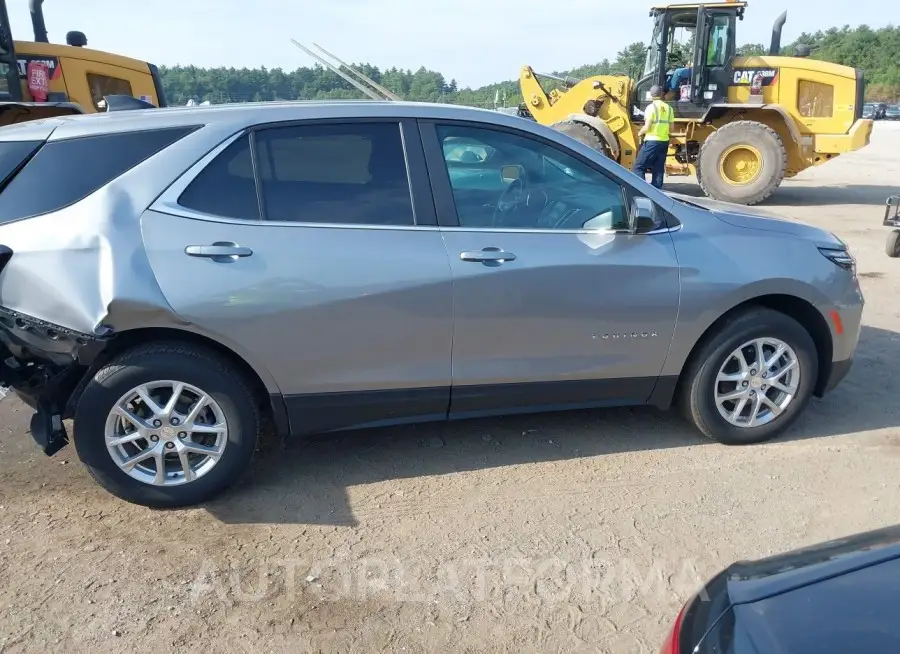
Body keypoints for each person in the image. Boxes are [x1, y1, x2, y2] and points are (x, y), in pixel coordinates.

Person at [633, 85, 673, 189]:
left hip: (652, 141)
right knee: (658, 168)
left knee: (639, 167)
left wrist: (639, 133)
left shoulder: (651, 108)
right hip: (664, 141)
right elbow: (671, 129)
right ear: (661, 94)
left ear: (651, 95)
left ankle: (642, 190)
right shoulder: (669, 108)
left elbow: (647, 127)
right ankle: (657, 191)